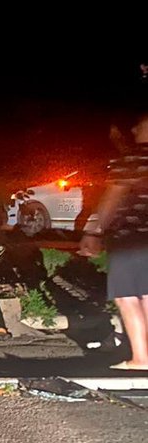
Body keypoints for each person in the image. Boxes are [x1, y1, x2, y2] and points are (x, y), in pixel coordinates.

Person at [79, 108, 148, 371]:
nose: (133, 131)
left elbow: (111, 200)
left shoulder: (130, 160)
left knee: (128, 296)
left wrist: (94, 232)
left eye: (139, 126)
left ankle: (141, 358)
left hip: (131, 238)